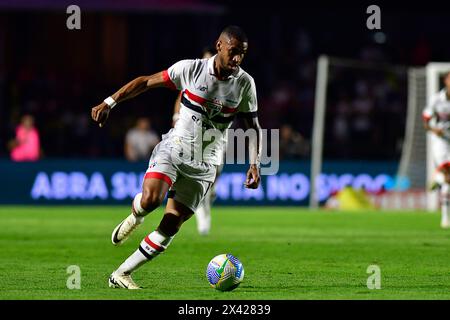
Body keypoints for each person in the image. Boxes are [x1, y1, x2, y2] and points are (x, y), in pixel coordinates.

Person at [91, 25, 262, 289]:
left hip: (206, 164)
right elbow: (146, 82)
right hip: (175, 150)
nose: (237, 59)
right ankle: (137, 214)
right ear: (219, 46)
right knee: (151, 200)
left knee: (170, 226)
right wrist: (110, 102)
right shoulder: (191, 69)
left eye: (242, 54)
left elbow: (253, 127)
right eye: (233, 51)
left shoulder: (244, 84)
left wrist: (254, 163)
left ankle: (122, 274)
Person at [172, 46, 218, 236]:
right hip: (196, 137)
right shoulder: (197, 75)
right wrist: (176, 118)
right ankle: (202, 218)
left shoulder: (231, 80)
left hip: (218, 137)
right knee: (201, 176)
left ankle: (207, 194)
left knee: (213, 179)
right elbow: (181, 96)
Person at [422, 71, 450, 229]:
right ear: (445, 81)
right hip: (440, 141)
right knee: (448, 174)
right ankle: (445, 218)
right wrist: (434, 130)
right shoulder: (436, 100)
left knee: (447, 181)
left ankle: (437, 179)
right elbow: (425, 121)